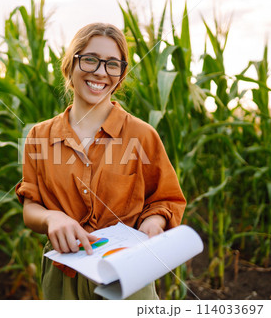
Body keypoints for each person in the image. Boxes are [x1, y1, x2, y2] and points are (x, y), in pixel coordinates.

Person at [15, 23, 186, 300]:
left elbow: (165, 200)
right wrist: (51, 218)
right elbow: (30, 206)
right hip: (63, 276)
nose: (100, 72)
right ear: (71, 64)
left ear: (121, 74)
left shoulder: (142, 135)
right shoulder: (39, 136)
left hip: (126, 274)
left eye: (112, 64)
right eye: (91, 59)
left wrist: (152, 223)